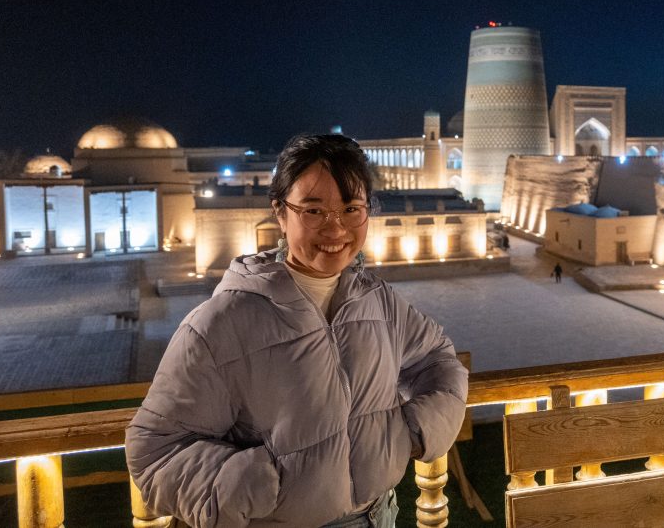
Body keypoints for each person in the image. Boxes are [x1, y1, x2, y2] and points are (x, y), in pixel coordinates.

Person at [126, 134, 468, 528]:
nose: (335, 227)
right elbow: (155, 452)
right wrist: (253, 484)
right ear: (280, 213)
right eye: (314, 210)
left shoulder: (378, 302)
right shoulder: (224, 322)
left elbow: (438, 358)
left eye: (351, 208)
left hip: (380, 515)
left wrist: (415, 430)